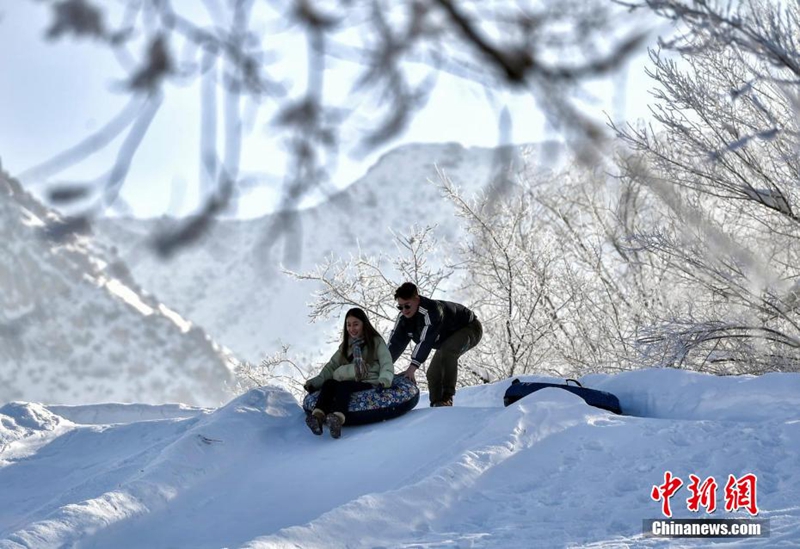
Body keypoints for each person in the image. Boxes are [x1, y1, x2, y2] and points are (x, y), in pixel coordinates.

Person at [303, 307, 394, 438]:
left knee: (343, 386)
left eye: (356, 324)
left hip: (370, 381)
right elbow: (332, 366)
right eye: (349, 325)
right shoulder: (346, 346)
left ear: (364, 324)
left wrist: (384, 380)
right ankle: (317, 417)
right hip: (352, 379)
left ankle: (337, 419)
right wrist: (315, 383)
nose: (352, 329)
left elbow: (386, 362)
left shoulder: (376, 341)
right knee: (329, 383)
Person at [388, 282, 482, 407]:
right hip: (446, 341)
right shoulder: (404, 319)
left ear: (417, 298)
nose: (404, 311)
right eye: (400, 307)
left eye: (407, 306)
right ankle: (437, 404)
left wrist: (411, 369)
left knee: (448, 352)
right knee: (432, 373)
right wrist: (382, 368)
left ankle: (447, 398)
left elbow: (426, 341)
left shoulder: (432, 311)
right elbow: (395, 344)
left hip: (470, 328)